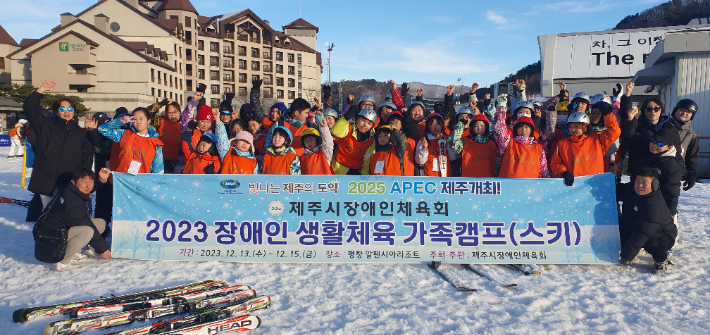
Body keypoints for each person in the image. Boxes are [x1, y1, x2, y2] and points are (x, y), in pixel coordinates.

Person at [23, 81, 94, 220]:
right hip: (46, 178)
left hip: (69, 180)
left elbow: (87, 156)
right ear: (56, 111)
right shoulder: (45, 125)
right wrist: (41, 90)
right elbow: (29, 108)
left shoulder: (80, 133)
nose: (66, 112)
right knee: (51, 217)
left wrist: (83, 177)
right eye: (62, 109)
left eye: (70, 109)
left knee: (69, 215)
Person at [36, 167, 112, 271]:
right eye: (84, 181)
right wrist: (103, 250)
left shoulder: (74, 190)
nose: (88, 185)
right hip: (50, 238)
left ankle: (74, 252)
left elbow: (89, 188)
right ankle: (61, 261)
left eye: (91, 181)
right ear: (73, 181)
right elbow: (87, 224)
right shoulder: (70, 202)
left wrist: (101, 179)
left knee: (100, 223)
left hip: (61, 231)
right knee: (87, 231)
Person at [617, 167, 677, 274]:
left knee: (652, 240)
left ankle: (661, 259)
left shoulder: (654, 205)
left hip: (661, 235)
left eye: (644, 182)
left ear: (654, 184)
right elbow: (613, 190)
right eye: (638, 181)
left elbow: (643, 232)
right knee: (617, 225)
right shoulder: (630, 189)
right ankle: (633, 249)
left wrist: (626, 255)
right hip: (633, 227)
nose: (640, 185)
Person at [619, 82, 679, 181]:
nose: (653, 111)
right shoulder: (638, 124)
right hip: (640, 170)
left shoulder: (669, 127)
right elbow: (628, 133)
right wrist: (628, 94)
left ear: (661, 110)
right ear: (644, 110)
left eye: (656, 108)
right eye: (649, 109)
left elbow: (678, 151)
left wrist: (678, 172)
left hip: (663, 170)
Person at [549, 105, 621, 186]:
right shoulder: (563, 144)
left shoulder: (597, 139)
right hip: (575, 185)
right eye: (570, 127)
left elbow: (614, 132)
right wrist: (563, 172)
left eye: (576, 127)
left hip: (595, 183)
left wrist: (608, 115)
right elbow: (555, 163)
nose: (572, 130)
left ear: (584, 127)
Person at [494, 95, 551, 178]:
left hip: (530, 188)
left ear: (532, 130)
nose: (523, 130)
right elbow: (499, 130)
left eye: (526, 127)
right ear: (515, 129)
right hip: (508, 187)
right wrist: (501, 108)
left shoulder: (539, 149)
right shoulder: (508, 144)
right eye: (520, 127)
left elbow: (543, 172)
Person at [99, 108, 164, 174]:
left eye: (141, 119)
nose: (138, 122)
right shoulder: (124, 134)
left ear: (148, 121)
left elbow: (158, 170)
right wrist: (119, 122)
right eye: (135, 119)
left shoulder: (155, 143)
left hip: (142, 181)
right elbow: (102, 129)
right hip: (123, 179)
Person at [84, 112, 113, 232]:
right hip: (100, 173)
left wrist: (93, 132)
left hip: (112, 172)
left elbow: (103, 149)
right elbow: (98, 149)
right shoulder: (90, 133)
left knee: (108, 202)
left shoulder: (111, 134)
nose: (105, 125)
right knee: (102, 203)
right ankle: (101, 230)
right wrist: (91, 131)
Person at [331, 108, 377, 175]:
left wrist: (364, 177)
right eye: (363, 120)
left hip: (357, 170)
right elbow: (335, 131)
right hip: (339, 167)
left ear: (372, 126)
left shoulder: (372, 139)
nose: (365, 125)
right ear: (357, 119)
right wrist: (345, 118)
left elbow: (367, 160)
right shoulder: (348, 127)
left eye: (369, 123)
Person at [668, 99, 700, 191]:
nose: (684, 113)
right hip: (655, 171)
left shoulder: (691, 136)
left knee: (670, 203)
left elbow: (692, 157)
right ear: (675, 111)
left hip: (674, 173)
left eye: (688, 112)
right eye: (682, 110)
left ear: (692, 115)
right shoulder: (662, 126)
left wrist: (691, 174)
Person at [387, 111, 419, 176]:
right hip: (391, 176)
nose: (393, 125)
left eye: (396, 123)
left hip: (408, 176)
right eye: (391, 123)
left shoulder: (410, 141)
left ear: (401, 124)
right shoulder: (385, 139)